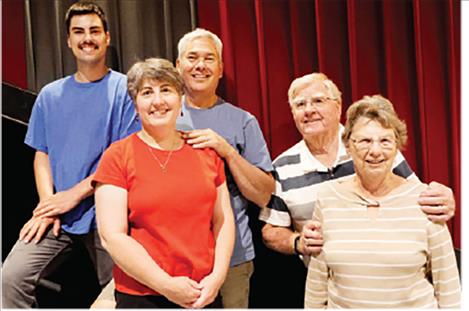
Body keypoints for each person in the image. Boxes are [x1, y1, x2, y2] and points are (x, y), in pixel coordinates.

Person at [259, 73, 456, 301]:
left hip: (400, 285)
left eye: (318, 101)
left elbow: (419, 201)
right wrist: (298, 242)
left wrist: (445, 199)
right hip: (336, 284)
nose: (309, 110)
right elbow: (271, 231)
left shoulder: (377, 149)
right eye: (300, 104)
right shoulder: (282, 167)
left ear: (338, 105)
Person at [1, 2, 140, 308]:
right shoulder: (51, 95)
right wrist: (48, 204)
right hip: (60, 217)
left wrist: (73, 195)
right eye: (78, 32)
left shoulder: (125, 91)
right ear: (68, 40)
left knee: (123, 294)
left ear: (106, 37)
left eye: (93, 31)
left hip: (109, 213)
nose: (86, 38)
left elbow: (123, 161)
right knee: (9, 278)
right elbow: (42, 154)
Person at [93, 58, 235, 309]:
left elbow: (222, 221)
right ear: (136, 105)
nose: (157, 101)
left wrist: (217, 277)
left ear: (180, 99)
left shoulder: (206, 153)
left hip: (203, 294)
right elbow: (111, 237)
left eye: (166, 90)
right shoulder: (117, 156)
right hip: (143, 297)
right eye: (147, 93)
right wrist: (166, 285)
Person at [304, 95, 460, 308]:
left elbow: (449, 288)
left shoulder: (426, 200)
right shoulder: (328, 198)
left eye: (385, 141)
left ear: (397, 146)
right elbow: (317, 284)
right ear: (348, 146)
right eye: (365, 141)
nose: (375, 151)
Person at [174, 28, 275, 308]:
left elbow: (266, 195)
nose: (200, 65)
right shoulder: (160, 116)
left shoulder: (243, 122)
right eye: (192, 57)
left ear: (220, 69)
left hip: (233, 259)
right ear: (178, 65)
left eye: (209, 59)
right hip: (174, 260)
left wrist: (227, 151)